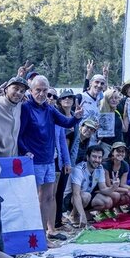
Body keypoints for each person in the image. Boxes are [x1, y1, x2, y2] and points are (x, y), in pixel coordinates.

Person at [19, 75, 83, 241]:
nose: (41, 94)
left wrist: (77, 117)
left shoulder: (49, 109)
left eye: (44, 91)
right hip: (34, 161)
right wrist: (25, 151)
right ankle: (35, 236)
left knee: (48, 198)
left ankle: (46, 233)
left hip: (49, 160)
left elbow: (67, 123)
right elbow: (18, 134)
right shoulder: (26, 108)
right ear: (31, 91)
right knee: (35, 200)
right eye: (38, 90)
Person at [69, 145, 114, 227]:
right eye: (94, 157)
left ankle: (86, 213)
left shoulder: (100, 168)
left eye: (99, 157)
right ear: (87, 157)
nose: (97, 160)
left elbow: (103, 189)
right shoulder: (79, 169)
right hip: (72, 198)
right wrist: (82, 215)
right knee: (86, 196)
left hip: (87, 196)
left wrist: (114, 186)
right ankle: (73, 215)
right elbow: (76, 194)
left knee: (108, 201)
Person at [0, 77, 29, 157]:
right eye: (15, 88)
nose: (18, 93)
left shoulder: (19, 106)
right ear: (6, 89)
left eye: (22, 91)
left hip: (12, 161)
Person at [52, 89, 75, 227]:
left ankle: (58, 221)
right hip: (52, 158)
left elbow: (72, 141)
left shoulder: (73, 115)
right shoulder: (56, 115)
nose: (67, 100)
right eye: (64, 97)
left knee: (59, 191)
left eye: (70, 97)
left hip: (64, 158)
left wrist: (68, 161)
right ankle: (52, 223)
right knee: (50, 194)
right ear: (60, 101)